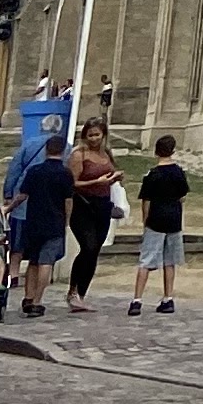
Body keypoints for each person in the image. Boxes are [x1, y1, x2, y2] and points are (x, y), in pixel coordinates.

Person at [8, 122, 72, 320]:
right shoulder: (65, 174)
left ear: (46, 150)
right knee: (46, 262)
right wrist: (67, 221)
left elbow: (22, 195)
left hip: (34, 221)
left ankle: (28, 297)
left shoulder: (35, 171)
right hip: (55, 222)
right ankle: (37, 301)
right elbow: (68, 200)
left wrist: (8, 207)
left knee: (34, 262)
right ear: (63, 151)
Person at [127, 134, 189, 316]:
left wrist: (145, 220)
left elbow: (146, 201)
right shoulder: (178, 172)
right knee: (170, 261)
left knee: (146, 260)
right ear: (173, 151)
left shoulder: (152, 175)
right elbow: (182, 196)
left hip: (156, 220)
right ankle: (168, 298)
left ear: (156, 152)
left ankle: (137, 300)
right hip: (174, 220)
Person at [63, 117, 121, 310]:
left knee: (95, 250)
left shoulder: (106, 153)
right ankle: (72, 291)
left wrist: (114, 178)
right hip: (83, 205)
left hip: (102, 205)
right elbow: (72, 183)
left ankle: (81, 293)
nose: (94, 139)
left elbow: (110, 173)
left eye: (97, 135)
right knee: (88, 246)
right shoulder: (79, 154)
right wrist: (96, 182)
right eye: (90, 135)